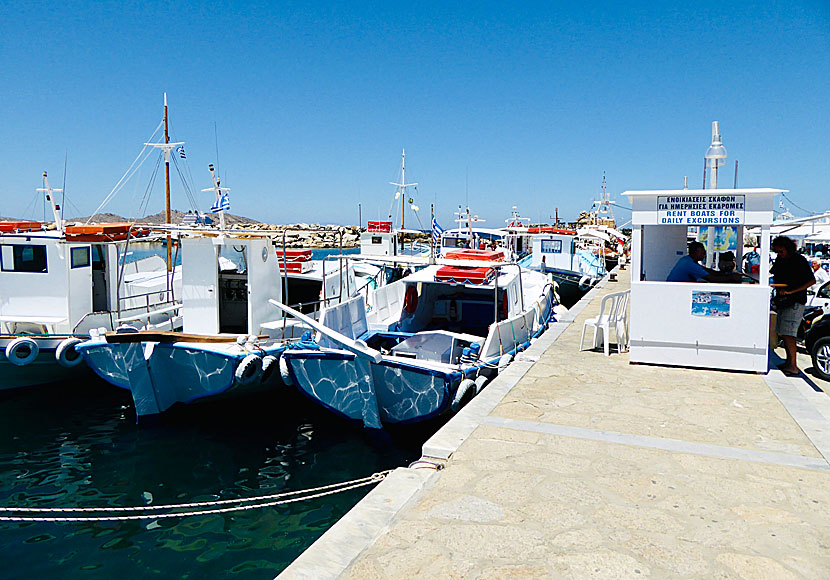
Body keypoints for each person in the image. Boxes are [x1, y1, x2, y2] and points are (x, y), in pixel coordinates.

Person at [770, 236, 816, 377]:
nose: (779, 254)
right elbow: (774, 273)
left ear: (788, 249)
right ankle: (789, 362)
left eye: (781, 251)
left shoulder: (799, 260)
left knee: (789, 334)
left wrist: (791, 291)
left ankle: (793, 366)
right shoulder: (781, 259)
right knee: (783, 332)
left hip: (794, 301)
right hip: (783, 300)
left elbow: (811, 281)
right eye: (777, 252)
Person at [666, 242, 737, 283]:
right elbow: (713, 279)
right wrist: (731, 277)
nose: (704, 254)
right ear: (696, 253)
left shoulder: (687, 260)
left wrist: (725, 274)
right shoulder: (689, 264)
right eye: (703, 252)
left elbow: (709, 271)